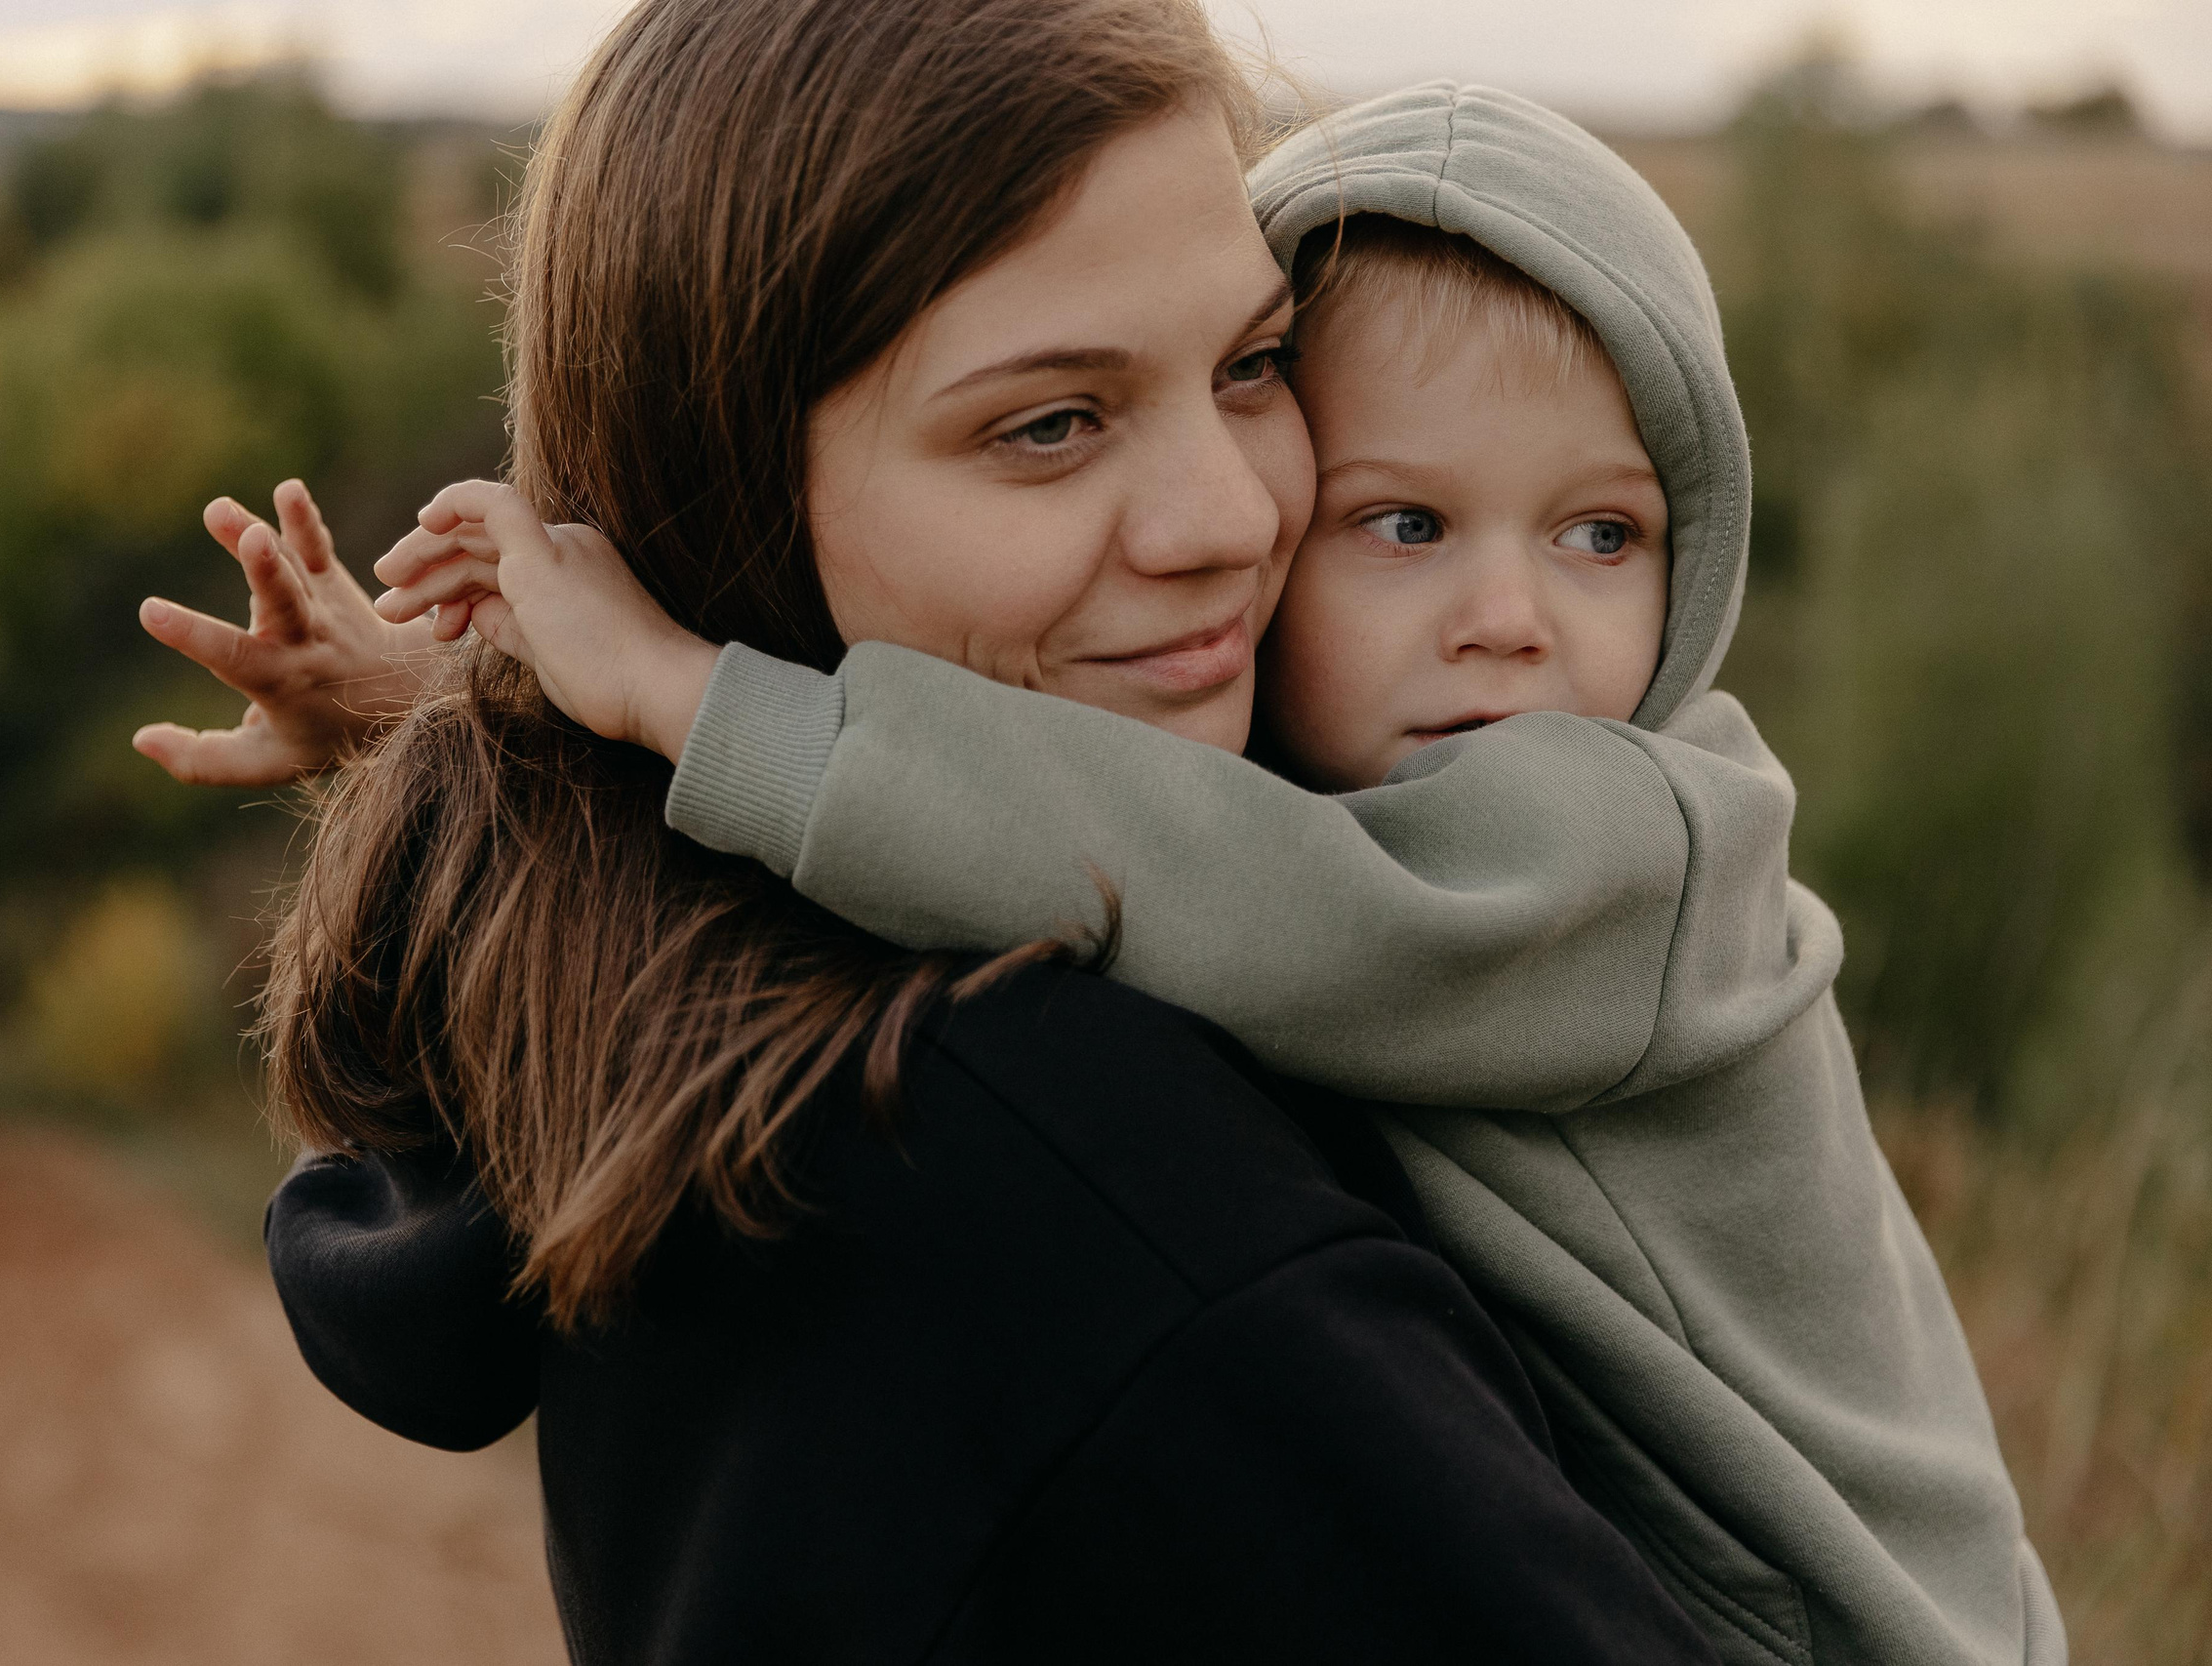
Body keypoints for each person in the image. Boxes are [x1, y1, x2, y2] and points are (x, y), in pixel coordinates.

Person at [376, 85, 2067, 1666]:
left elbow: (1215, 877)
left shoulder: (1620, 842)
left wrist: (682, 697)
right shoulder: (1282, 856)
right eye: (1404, 525)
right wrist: (474, 702)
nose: (1512, 617)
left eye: (1604, 534)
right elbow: (1130, 825)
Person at [206, 2, 1724, 1660]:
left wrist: (456, 717)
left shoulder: (666, 999)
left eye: (1252, 366)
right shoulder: (1098, 1188)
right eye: (1048, 425)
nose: (1231, 519)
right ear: (727, 495)